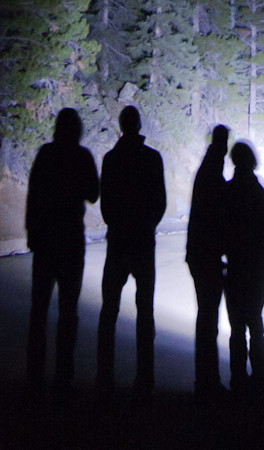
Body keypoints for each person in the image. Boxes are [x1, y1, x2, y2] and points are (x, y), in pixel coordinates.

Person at [25, 108, 100, 391]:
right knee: (68, 312)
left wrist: (32, 234)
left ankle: (34, 375)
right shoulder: (82, 157)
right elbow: (93, 193)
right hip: (70, 241)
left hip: (45, 241)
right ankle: (63, 376)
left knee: (39, 311)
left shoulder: (46, 154)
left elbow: (33, 196)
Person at [96, 105, 167, 395]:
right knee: (145, 310)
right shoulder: (152, 158)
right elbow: (160, 201)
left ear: (121, 126)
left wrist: (117, 224)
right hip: (142, 242)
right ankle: (145, 378)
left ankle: (104, 376)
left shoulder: (111, 159)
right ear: (139, 125)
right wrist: (147, 224)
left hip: (118, 241)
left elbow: (106, 203)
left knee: (109, 310)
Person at [221, 140, 264, 402]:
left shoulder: (229, 192)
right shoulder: (258, 193)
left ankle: (238, 378)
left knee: (237, 326)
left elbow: (222, 230)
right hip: (257, 265)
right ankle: (258, 380)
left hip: (236, 265)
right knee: (255, 322)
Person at [186, 124, 230, 398]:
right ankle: (207, 381)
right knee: (208, 319)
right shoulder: (214, 169)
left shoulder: (208, 166)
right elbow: (216, 214)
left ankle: (205, 378)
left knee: (206, 317)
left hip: (199, 253)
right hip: (207, 255)